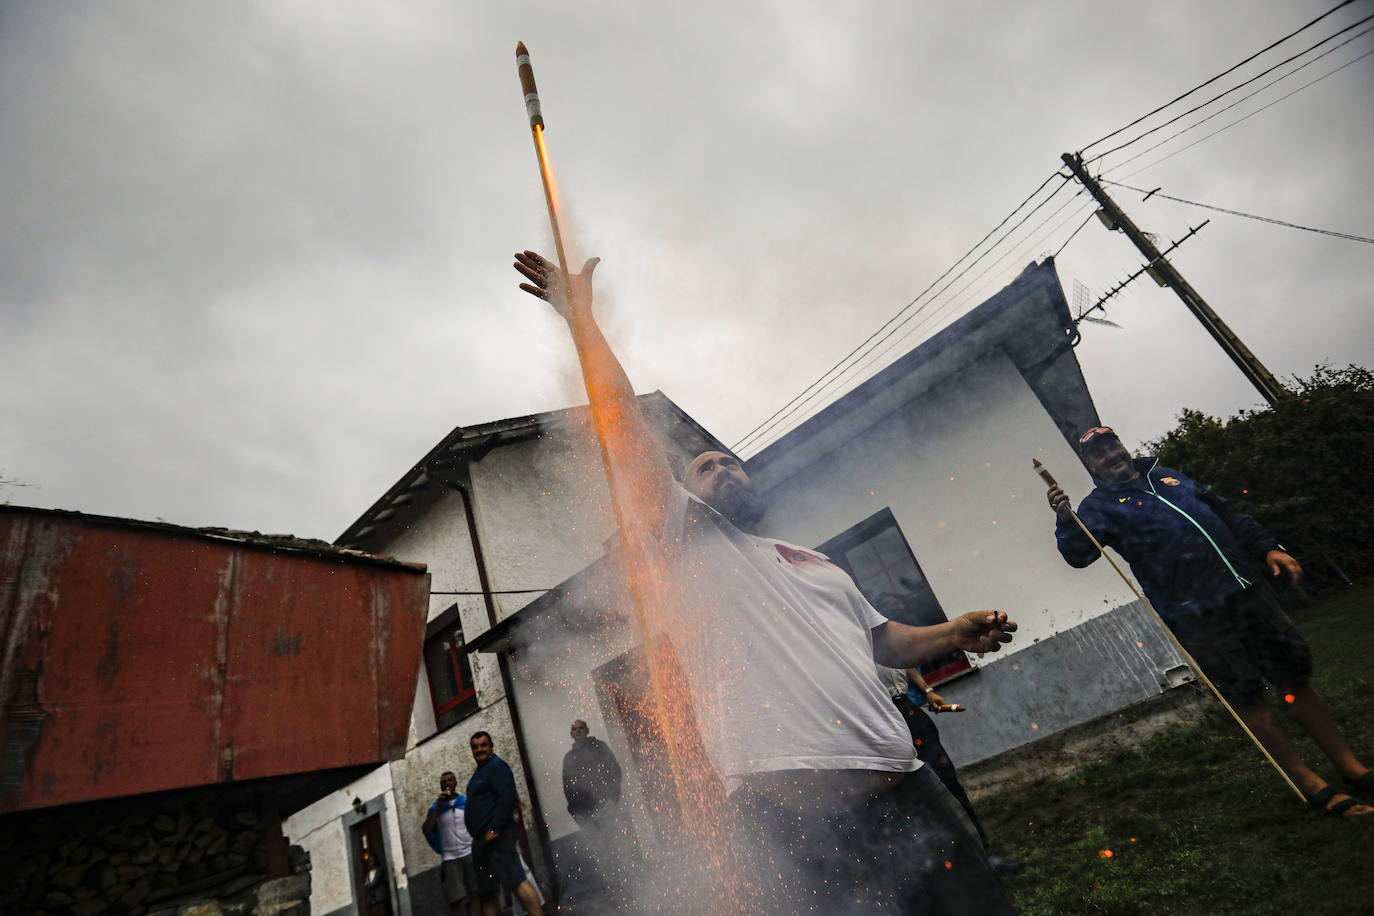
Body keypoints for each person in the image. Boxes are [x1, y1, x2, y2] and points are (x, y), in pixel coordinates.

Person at [513, 249, 1018, 914]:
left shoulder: (815, 563)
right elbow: (623, 427)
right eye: (704, 467)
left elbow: (885, 643)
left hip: (909, 789)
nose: (722, 468)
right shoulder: (681, 548)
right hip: (795, 813)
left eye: (731, 462)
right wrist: (582, 320)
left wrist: (953, 632)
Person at [1047, 425, 1373, 818]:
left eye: (1113, 444)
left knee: (1293, 678)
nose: (1111, 454)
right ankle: (1310, 783)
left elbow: (1227, 513)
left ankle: (1351, 767)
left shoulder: (1169, 476)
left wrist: (1268, 547)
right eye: (1099, 453)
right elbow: (1079, 555)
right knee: (1247, 696)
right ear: (1091, 465)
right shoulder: (1098, 508)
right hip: (1196, 616)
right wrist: (1066, 519)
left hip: (1247, 594)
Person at [464, 732, 544, 916]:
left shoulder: (497, 767)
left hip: (497, 839)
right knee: (488, 894)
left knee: (517, 881)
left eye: (483, 745)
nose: (479, 750)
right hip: (481, 843)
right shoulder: (479, 773)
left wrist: (495, 828)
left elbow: (507, 799)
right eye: (475, 747)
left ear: (491, 746)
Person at [422, 771, 480, 916]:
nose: (447, 783)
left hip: (469, 853)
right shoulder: (436, 808)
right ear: (441, 785)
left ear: (455, 782)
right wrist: (438, 805)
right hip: (450, 858)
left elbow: (476, 823)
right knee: (454, 900)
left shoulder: (465, 802)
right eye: (444, 782)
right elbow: (427, 829)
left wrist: (476, 842)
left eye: (450, 780)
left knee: (475, 894)